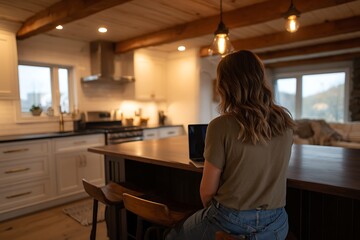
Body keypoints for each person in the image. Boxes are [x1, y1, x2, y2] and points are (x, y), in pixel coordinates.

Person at [166, 50, 295, 240]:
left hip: (230, 220)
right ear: (260, 79)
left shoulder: (220, 126)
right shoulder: (285, 122)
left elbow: (207, 192)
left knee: (173, 236)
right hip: (277, 223)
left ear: (225, 85)